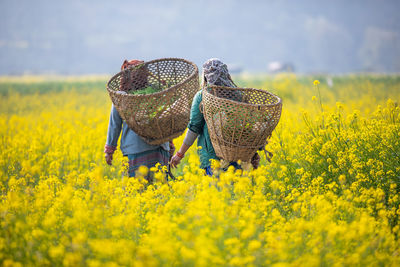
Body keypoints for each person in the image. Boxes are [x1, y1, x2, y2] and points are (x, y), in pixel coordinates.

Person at [170, 58, 260, 175]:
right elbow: (248, 129)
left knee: (217, 190)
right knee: (235, 190)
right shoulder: (239, 96)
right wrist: (253, 153)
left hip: (212, 157)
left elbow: (194, 128)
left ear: (206, 76)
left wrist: (179, 154)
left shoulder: (203, 96)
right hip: (238, 156)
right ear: (226, 74)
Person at [105, 59, 175, 181]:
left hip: (135, 152)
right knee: (159, 194)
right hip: (160, 150)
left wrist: (109, 150)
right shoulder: (156, 93)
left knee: (135, 193)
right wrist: (169, 144)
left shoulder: (121, 97)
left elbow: (114, 125)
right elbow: (164, 120)